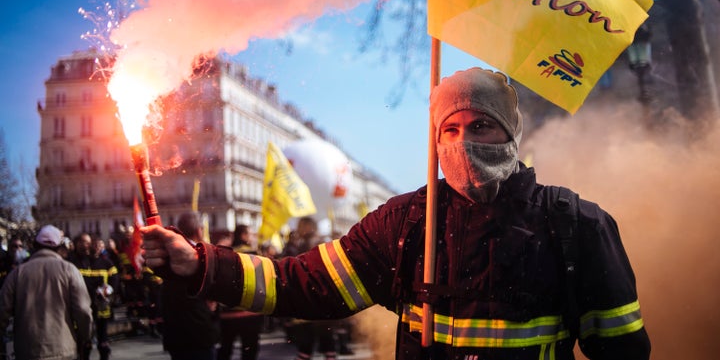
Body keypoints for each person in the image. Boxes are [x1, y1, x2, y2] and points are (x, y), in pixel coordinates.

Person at [143, 68, 651, 359]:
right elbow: (301, 284)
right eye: (449, 130)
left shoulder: (577, 226)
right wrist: (200, 264)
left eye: (481, 127)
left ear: (511, 136)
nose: (464, 143)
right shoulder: (405, 223)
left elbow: (624, 356)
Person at [0, 225, 93, 360]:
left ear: (35, 245)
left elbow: (2, 309)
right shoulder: (69, 270)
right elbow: (83, 310)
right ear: (58, 247)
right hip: (63, 349)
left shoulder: (18, 273)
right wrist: (85, 336)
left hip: (27, 350)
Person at [161, 211, 220, 360]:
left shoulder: (168, 251)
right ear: (199, 230)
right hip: (199, 332)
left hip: (175, 333)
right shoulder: (201, 255)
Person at [281, 217, 338, 360]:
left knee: (306, 345)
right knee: (327, 343)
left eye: (300, 226)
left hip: (309, 301)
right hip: (324, 302)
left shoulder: (303, 245)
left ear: (307, 227)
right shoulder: (324, 244)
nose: (298, 229)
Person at [216, 225, 264, 360]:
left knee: (225, 349)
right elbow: (261, 282)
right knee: (249, 351)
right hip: (250, 312)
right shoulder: (254, 254)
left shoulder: (225, 254)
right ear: (243, 235)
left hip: (228, 313)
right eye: (249, 233)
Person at [68, 233, 119, 360]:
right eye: (94, 245)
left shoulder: (106, 262)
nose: (96, 248)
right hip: (85, 306)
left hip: (102, 306)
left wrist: (108, 290)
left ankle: (104, 355)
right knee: (85, 339)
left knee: (103, 338)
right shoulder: (82, 262)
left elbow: (115, 279)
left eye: (99, 245)